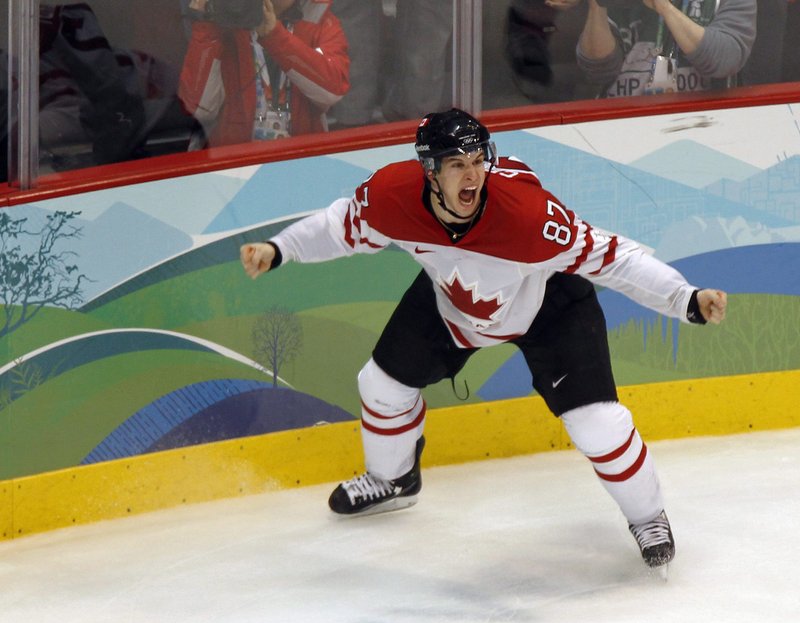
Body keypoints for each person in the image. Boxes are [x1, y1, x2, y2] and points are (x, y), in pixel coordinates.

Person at [238, 108, 728, 569]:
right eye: (457, 165)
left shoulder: (530, 219)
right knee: (380, 385)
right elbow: (341, 226)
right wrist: (280, 249)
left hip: (549, 306)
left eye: (478, 161)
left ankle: (648, 518)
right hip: (451, 302)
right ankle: (394, 480)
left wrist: (685, 298)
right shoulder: (392, 195)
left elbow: (614, 258)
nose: (473, 176)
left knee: (598, 424)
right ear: (430, 171)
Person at [180, 0, 349, 147]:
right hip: (234, 165)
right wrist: (206, 26)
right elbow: (201, 109)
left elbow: (332, 92)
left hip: (302, 163)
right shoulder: (221, 23)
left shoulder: (318, 17)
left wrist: (275, 36)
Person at [576, 0, 756, 98]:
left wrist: (664, 7)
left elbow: (725, 60)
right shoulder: (619, 5)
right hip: (621, 121)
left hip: (701, 122)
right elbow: (598, 70)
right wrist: (597, 5)